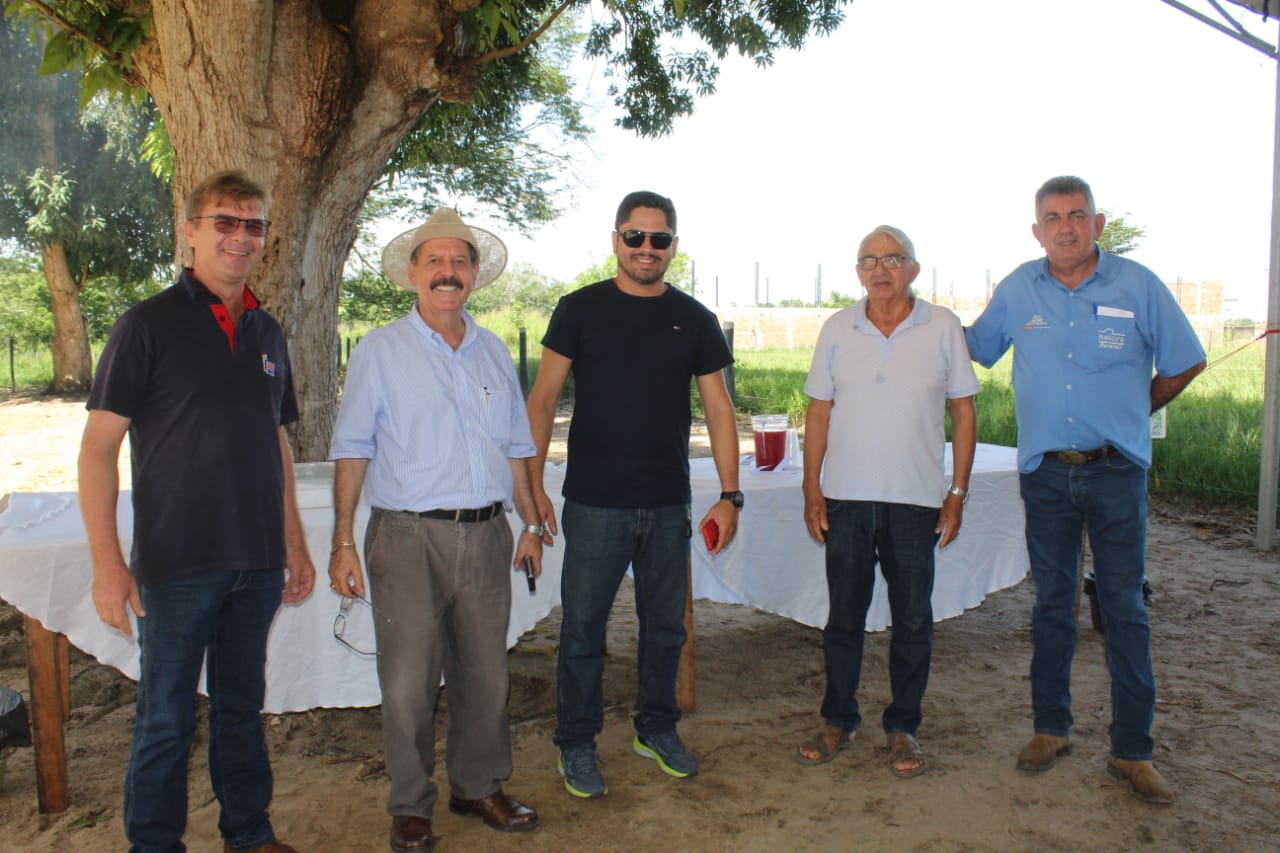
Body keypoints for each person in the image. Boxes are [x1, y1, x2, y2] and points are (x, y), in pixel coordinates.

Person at [78, 170, 314, 853]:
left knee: (241, 708)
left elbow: (275, 442)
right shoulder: (145, 325)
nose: (241, 237)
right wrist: (107, 566)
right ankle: (154, 844)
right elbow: (97, 450)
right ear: (190, 231)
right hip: (177, 563)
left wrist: (294, 544)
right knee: (166, 718)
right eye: (225, 222)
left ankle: (249, 833)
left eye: (253, 225)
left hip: (256, 563)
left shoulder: (268, 331)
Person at [966, 176, 1205, 805]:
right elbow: (971, 349)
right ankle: (1051, 729)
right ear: (1037, 231)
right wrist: (910, 315)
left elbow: (1186, 358)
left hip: (1116, 471)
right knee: (1051, 604)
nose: (1065, 227)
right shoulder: (1018, 289)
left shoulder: (1138, 285)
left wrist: (1134, 410)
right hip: (1045, 474)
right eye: (1052, 217)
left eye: (1077, 215)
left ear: (1097, 224)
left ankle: (1133, 751)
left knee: (1124, 609)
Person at [328, 208, 543, 850]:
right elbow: (352, 448)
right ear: (413, 273)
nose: (447, 273)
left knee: (486, 674)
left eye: (459, 261)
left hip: (487, 534)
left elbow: (516, 445)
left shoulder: (493, 350)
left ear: (473, 274)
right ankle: (410, 803)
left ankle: (477, 786)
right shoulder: (379, 351)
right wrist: (343, 541)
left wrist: (530, 523)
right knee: (407, 681)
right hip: (405, 538)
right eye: (435, 262)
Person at [525, 190, 742, 799]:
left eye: (659, 239)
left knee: (666, 629)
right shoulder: (578, 309)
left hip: (667, 502)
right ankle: (576, 741)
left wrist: (730, 495)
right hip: (594, 502)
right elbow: (542, 400)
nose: (647, 248)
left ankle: (657, 728)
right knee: (583, 631)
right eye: (635, 237)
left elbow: (719, 408)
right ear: (616, 240)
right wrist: (532, 486)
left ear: (674, 245)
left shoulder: (694, 318)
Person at [795, 225, 978, 778]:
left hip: (916, 502)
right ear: (858, 272)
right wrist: (811, 488)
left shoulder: (942, 326)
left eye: (893, 259)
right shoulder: (838, 328)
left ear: (913, 269)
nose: (881, 269)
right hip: (846, 499)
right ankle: (838, 721)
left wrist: (956, 493)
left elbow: (964, 411)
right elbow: (819, 412)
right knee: (843, 619)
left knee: (913, 622)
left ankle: (903, 728)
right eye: (869, 260)